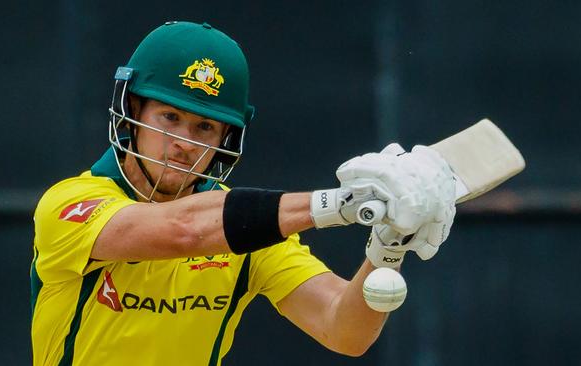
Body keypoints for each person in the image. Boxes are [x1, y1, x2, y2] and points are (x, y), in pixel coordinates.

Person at [30, 21, 457, 366]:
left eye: (205, 127)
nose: (184, 142)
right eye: (170, 116)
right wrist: (343, 205)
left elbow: (343, 331)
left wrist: (388, 245)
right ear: (133, 113)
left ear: (226, 138)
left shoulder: (249, 232)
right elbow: (184, 230)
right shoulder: (70, 205)